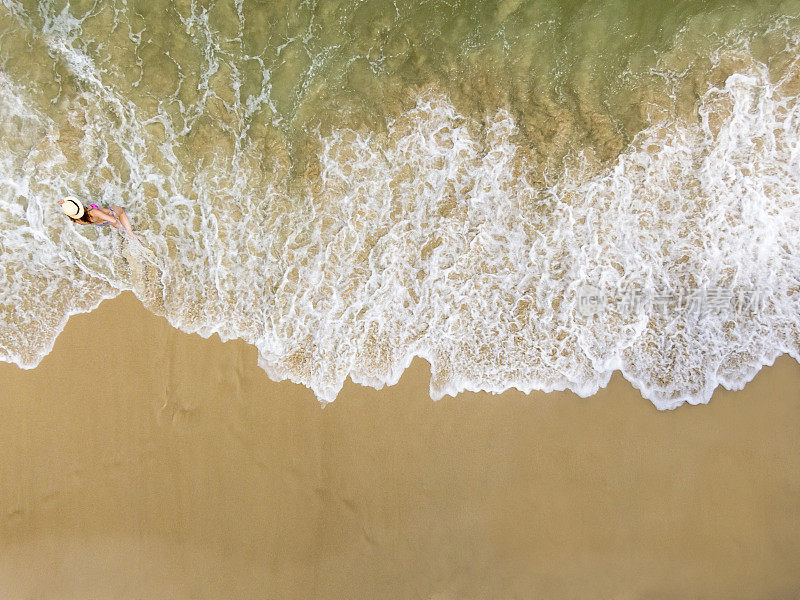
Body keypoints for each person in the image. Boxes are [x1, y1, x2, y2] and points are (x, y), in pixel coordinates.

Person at [58, 196, 135, 236]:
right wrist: (110, 217)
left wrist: (64, 204)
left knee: (120, 228)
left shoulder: (76, 219)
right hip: (110, 215)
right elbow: (113, 220)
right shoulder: (93, 212)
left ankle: (125, 235)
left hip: (101, 223)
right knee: (121, 212)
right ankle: (131, 234)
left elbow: (72, 210)